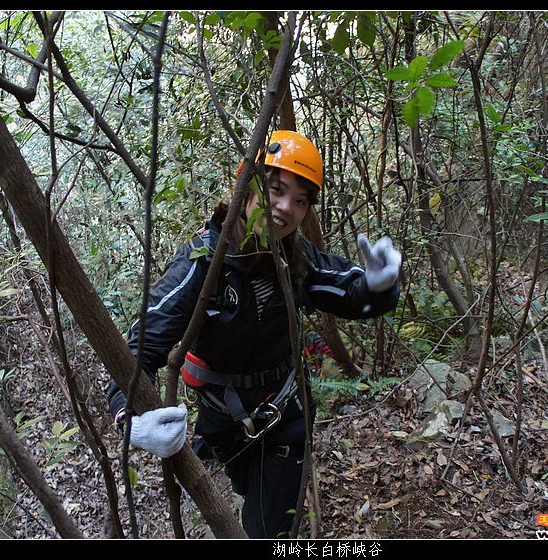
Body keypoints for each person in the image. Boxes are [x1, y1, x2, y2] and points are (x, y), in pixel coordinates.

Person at [107, 130, 401, 538]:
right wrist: (131, 418)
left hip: (285, 416)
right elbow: (142, 344)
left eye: (300, 201)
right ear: (247, 186)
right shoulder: (203, 261)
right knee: (248, 493)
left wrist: (378, 287)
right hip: (223, 422)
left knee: (270, 530)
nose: (285, 209)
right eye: (276, 190)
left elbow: (347, 291)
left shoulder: (295, 257)